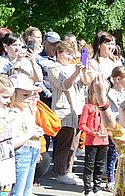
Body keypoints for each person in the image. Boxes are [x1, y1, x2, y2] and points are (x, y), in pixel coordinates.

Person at [6, 74, 47, 196]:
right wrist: (31, 135)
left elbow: (31, 130)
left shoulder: (26, 110)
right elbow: (14, 139)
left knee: (25, 193)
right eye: (25, 95)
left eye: (31, 94)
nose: (30, 98)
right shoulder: (11, 113)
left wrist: (36, 147)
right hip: (21, 153)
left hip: (30, 151)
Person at [48, 41, 91, 185]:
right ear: (58, 53)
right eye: (67, 53)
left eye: (71, 53)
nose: (69, 56)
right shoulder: (53, 67)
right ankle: (60, 171)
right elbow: (64, 85)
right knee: (64, 142)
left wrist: (83, 71)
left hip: (77, 108)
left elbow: (85, 83)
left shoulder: (74, 66)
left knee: (74, 142)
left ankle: (69, 170)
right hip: (64, 109)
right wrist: (76, 73)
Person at [79, 80, 109, 196]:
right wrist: (92, 132)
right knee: (89, 167)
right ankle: (88, 192)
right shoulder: (88, 107)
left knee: (100, 167)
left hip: (104, 140)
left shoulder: (105, 107)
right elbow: (82, 125)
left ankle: (97, 189)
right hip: (92, 141)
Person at [106, 66, 125, 191]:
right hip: (114, 126)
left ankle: (120, 177)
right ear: (117, 79)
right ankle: (110, 179)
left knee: (122, 154)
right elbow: (110, 111)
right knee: (112, 154)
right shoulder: (110, 93)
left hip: (124, 127)